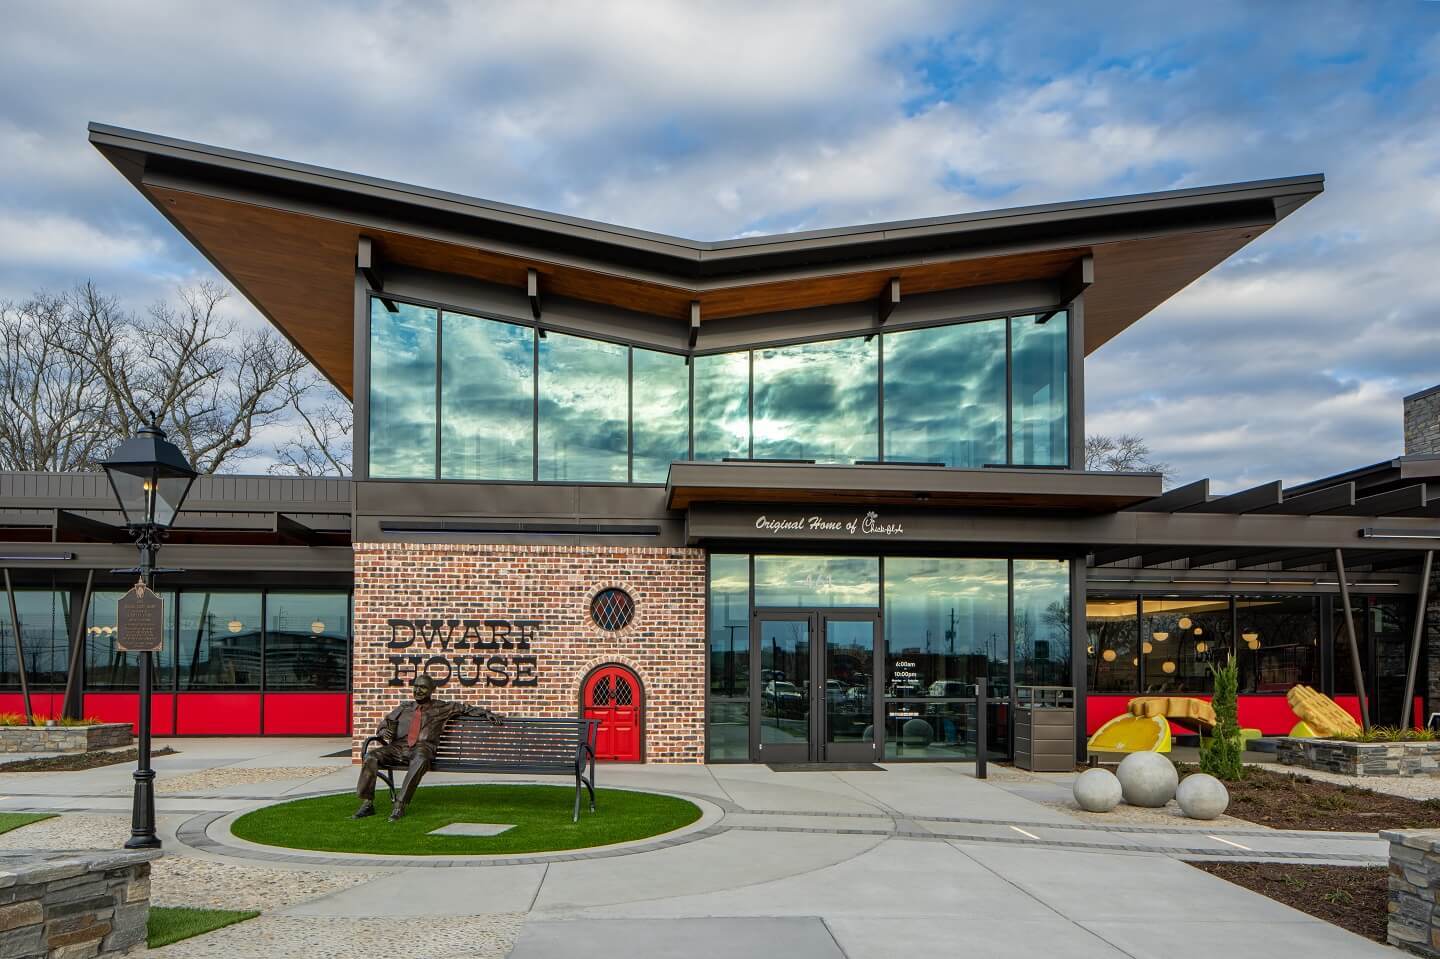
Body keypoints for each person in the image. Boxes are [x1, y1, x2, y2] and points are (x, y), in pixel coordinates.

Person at [352, 674, 503, 821]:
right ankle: (367, 803)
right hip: (398, 747)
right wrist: (385, 731)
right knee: (370, 757)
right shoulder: (404, 707)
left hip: (422, 747)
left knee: (421, 759)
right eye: (416, 687)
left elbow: (466, 709)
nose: (418, 690)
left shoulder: (442, 707)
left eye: (423, 687)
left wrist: (486, 713)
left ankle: (399, 805)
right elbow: (383, 727)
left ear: (432, 690)